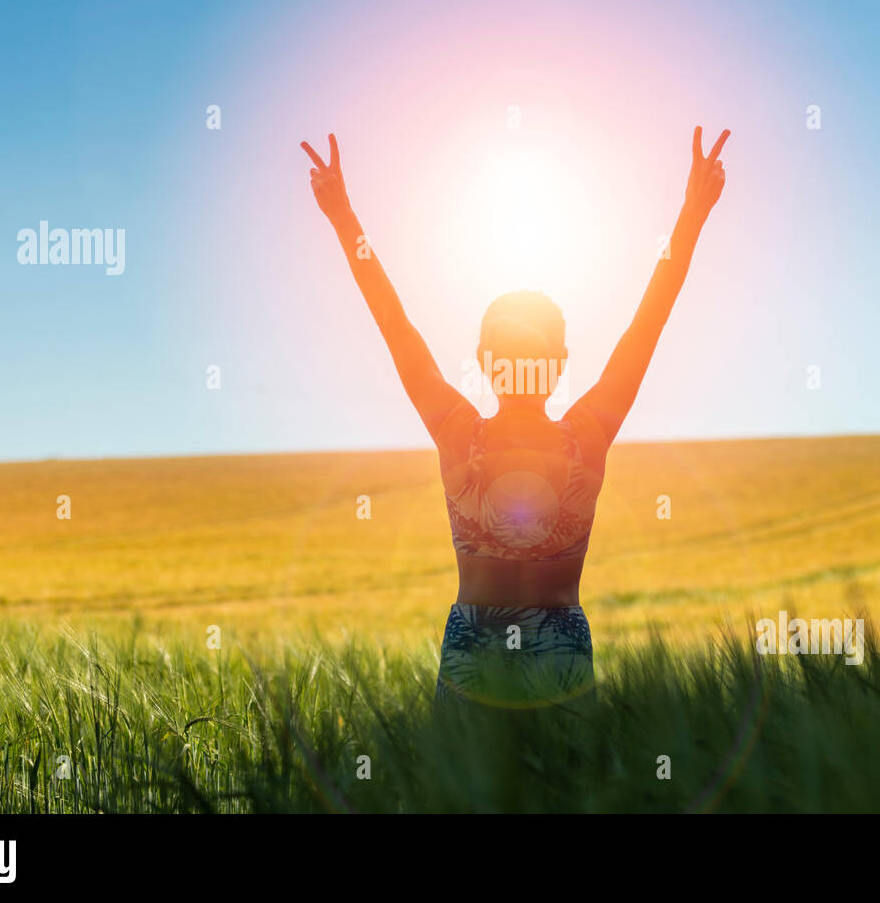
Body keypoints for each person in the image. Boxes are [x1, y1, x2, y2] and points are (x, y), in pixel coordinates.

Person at [301, 126, 729, 709]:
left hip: (480, 649)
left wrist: (344, 218)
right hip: (554, 650)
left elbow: (396, 327)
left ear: (486, 364)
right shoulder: (586, 434)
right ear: (560, 365)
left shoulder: (459, 433)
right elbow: (646, 325)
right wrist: (692, 215)